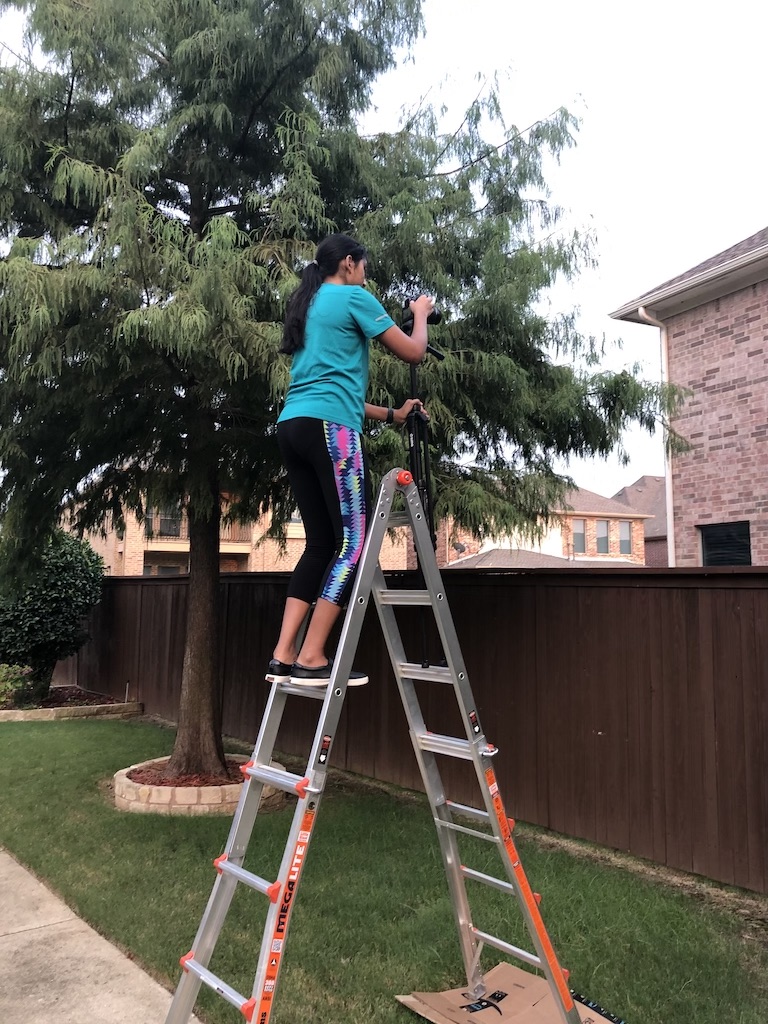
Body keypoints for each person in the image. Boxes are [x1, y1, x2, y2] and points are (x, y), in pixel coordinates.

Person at [268, 232, 434, 687]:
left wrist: (392, 414)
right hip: (330, 432)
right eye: (363, 265)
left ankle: (283, 653)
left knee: (321, 543)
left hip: (294, 427)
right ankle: (313, 654)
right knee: (353, 544)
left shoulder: (310, 305)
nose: (365, 272)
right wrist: (419, 314)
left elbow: (332, 388)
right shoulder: (354, 298)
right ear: (347, 264)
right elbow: (413, 350)